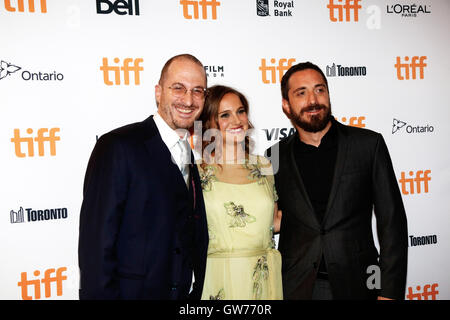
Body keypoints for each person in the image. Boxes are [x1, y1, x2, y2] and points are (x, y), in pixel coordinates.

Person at [266, 62, 408, 300]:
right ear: (286, 105)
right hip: (297, 287)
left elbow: (392, 223)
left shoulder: (367, 145)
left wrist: (389, 292)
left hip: (359, 285)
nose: (313, 99)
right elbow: (270, 218)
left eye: (319, 90)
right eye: (301, 93)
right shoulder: (274, 157)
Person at [78, 54, 209, 299]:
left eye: (198, 91)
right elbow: (96, 247)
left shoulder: (190, 153)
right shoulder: (118, 146)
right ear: (159, 92)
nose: (188, 100)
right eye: (178, 88)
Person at [197, 85, 282, 300]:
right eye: (225, 115)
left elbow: (274, 221)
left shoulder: (264, 165)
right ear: (209, 124)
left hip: (262, 275)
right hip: (217, 276)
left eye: (241, 111)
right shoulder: (197, 173)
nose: (237, 120)